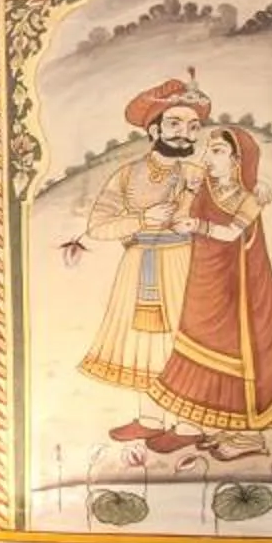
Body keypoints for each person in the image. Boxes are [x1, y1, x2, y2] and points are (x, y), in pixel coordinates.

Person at [147, 124, 272, 434]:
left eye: (217, 151)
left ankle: (242, 434)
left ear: (237, 160)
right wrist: (188, 192)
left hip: (234, 285)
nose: (207, 157)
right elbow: (178, 221)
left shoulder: (250, 199)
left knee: (236, 345)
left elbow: (229, 233)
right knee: (198, 336)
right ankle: (206, 422)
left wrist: (198, 226)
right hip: (203, 279)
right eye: (207, 150)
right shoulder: (203, 188)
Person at [71, 75, 208, 414]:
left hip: (187, 265)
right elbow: (98, 227)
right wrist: (142, 219)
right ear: (154, 131)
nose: (185, 133)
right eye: (175, 123)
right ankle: (149, 420)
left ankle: (186, 423)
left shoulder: (196, 173)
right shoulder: (127, 175)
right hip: (139, 269)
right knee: (143, 344)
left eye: (193, 127)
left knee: (184, 342)